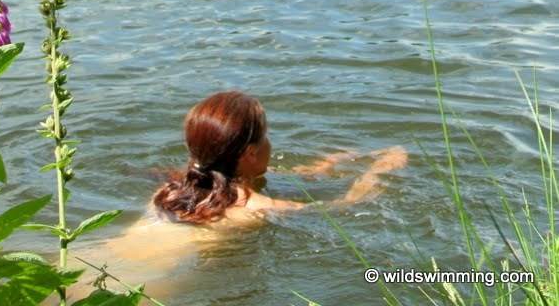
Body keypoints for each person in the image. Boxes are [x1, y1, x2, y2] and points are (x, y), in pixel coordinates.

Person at [74, 90, 408, 287]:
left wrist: (328, 164)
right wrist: (381, 171)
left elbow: (254, 176)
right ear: (249, 154)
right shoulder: (258, 209)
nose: (271, 144)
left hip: (87, 265)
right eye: (266, 137)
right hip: (136, 288)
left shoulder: (172, 189)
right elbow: (349, 205)